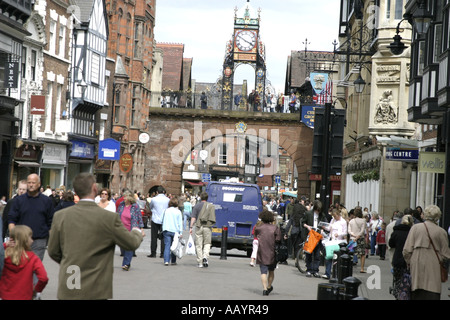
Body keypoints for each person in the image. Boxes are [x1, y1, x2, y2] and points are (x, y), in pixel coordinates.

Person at [47, 173, 144, 300]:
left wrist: (69, 262)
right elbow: (131, 243)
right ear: (94, 189)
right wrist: (137, 231)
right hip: (96, 287)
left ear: (76, 191)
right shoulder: (109, 218)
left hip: (70, 282)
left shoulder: (60, 216)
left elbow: (53, 251)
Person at [403, 205, 450, 300]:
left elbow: (406, 250)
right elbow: (446, 254)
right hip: (434, 269)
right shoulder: (441, 232)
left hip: (417, 267)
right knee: (432, 294)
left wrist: (411, 262)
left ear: (424, 215)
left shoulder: (415, 228)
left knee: (416, 294)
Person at [8, 173, 54, 261]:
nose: (31, 185)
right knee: (21, 268)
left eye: (33, 182)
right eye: (29, 182)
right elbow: (11, 220)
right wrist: (13, 236)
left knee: (35, 269)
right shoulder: (18, 201)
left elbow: (50, 222)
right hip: (21, 240)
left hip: (39, 241)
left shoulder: (46, 201)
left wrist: (52, 242)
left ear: (39, 184)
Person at [0, 225, 48, 300]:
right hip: (25, 295)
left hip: (6, 295)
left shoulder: (5, 256)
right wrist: (36, 290)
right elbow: (43, 278)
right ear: (25, 240)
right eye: (31, 237)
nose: (32, 240)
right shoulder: (33, 258)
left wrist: (4, 245)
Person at [254, 209, 281, 296]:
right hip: (272, 252)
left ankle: (265, 289)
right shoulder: (275, 228)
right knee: (271, 271)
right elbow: (278, 239)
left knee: (263, 272)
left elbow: (255, 235)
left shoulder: (259, 228)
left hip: (262, 251)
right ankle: (269, 286)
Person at [117, 191, 144, 271]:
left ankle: (126, 263)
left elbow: (139, 217)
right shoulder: (121, 205)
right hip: (121, 229)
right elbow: (117, 214)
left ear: (129, 198)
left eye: (125, 197)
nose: (124, 198)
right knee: (123, 247)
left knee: (129, 247)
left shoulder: (135, 206)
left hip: (131, 229)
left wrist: (141, 228)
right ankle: (127, 261)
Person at [389, 214, 413, 300]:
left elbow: (391, 244)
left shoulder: (396, 232)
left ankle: (397, 294)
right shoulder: (412, 233)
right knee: (407, 281)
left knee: (397, 280)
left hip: (397, 259)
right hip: (408, 261)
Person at [301, 200, 328, 277]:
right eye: (317, 210)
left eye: (319, 210)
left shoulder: (321, 215)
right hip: (310, 236)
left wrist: (323, 229)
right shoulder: (308, 213)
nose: (318, 211)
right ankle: (309, 270)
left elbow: (325, 224)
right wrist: (307, 226)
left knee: (317, 255)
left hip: (318, 236)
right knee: (308, 254)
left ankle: (315, 270)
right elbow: (302, 222)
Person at [190, 192, 216, 268]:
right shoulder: (211, 206)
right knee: (207, 243)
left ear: (201, 198)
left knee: (198, 245)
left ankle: (200, 262)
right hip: (207, 227)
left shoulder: (197, 206)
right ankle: (205, 256)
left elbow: (193, 218)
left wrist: (191, 227)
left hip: (199, 226)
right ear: (207, 198)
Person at [323, 208, 348, 279]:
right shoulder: (333, 220)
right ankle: (327, 273)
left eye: (335, 216)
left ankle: (336, 274)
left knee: (337, 258)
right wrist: (325, 227)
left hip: (339, 242)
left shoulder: (343, 222)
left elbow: (345, 232)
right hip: (332, 241)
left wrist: (339, 234)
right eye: (333, 216)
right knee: (329, 256)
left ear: (338, 214)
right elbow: (329, 228)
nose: (334, 217)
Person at [148, 186, 170, 258]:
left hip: (155, 219)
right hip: (164, 220)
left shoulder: (154, 199)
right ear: (163, 192)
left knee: (153, 237)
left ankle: (153, 253)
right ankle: (162, 253)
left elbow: (150, 207)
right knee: (163, 237)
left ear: (157, 192)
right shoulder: (167, 200)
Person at [162, 197, 183, 266]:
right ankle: (173, 261)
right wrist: (181, 232)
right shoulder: (178, 212)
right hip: (175, 231)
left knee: (167, 245)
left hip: (166, 229)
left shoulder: (166, 210)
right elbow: (180, 223)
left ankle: (166, 261)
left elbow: (163, 220)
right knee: (174, 246)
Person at [348, 206, 367, 273]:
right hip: (360, 239)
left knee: (351, 253)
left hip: (352, 239)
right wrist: (357, 237)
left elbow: (349, 231)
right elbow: (362, 231)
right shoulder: (363, 221)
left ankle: (349, 267)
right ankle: (362, 268)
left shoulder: (351, 221)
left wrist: (354, 236)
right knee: (362, 254)